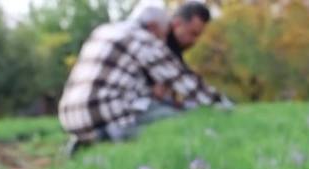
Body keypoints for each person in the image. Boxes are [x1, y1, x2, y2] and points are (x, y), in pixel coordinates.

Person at [58, 7, 225, 151]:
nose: (163, 40)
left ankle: (91, 137)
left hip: (70, 116)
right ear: (153, 27)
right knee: (181, 118)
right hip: (107, 112)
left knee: (154, 105)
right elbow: (184, 82)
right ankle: (108, 135)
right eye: (164, 32)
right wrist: (222, 104)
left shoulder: (104, 31)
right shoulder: (143, 38)